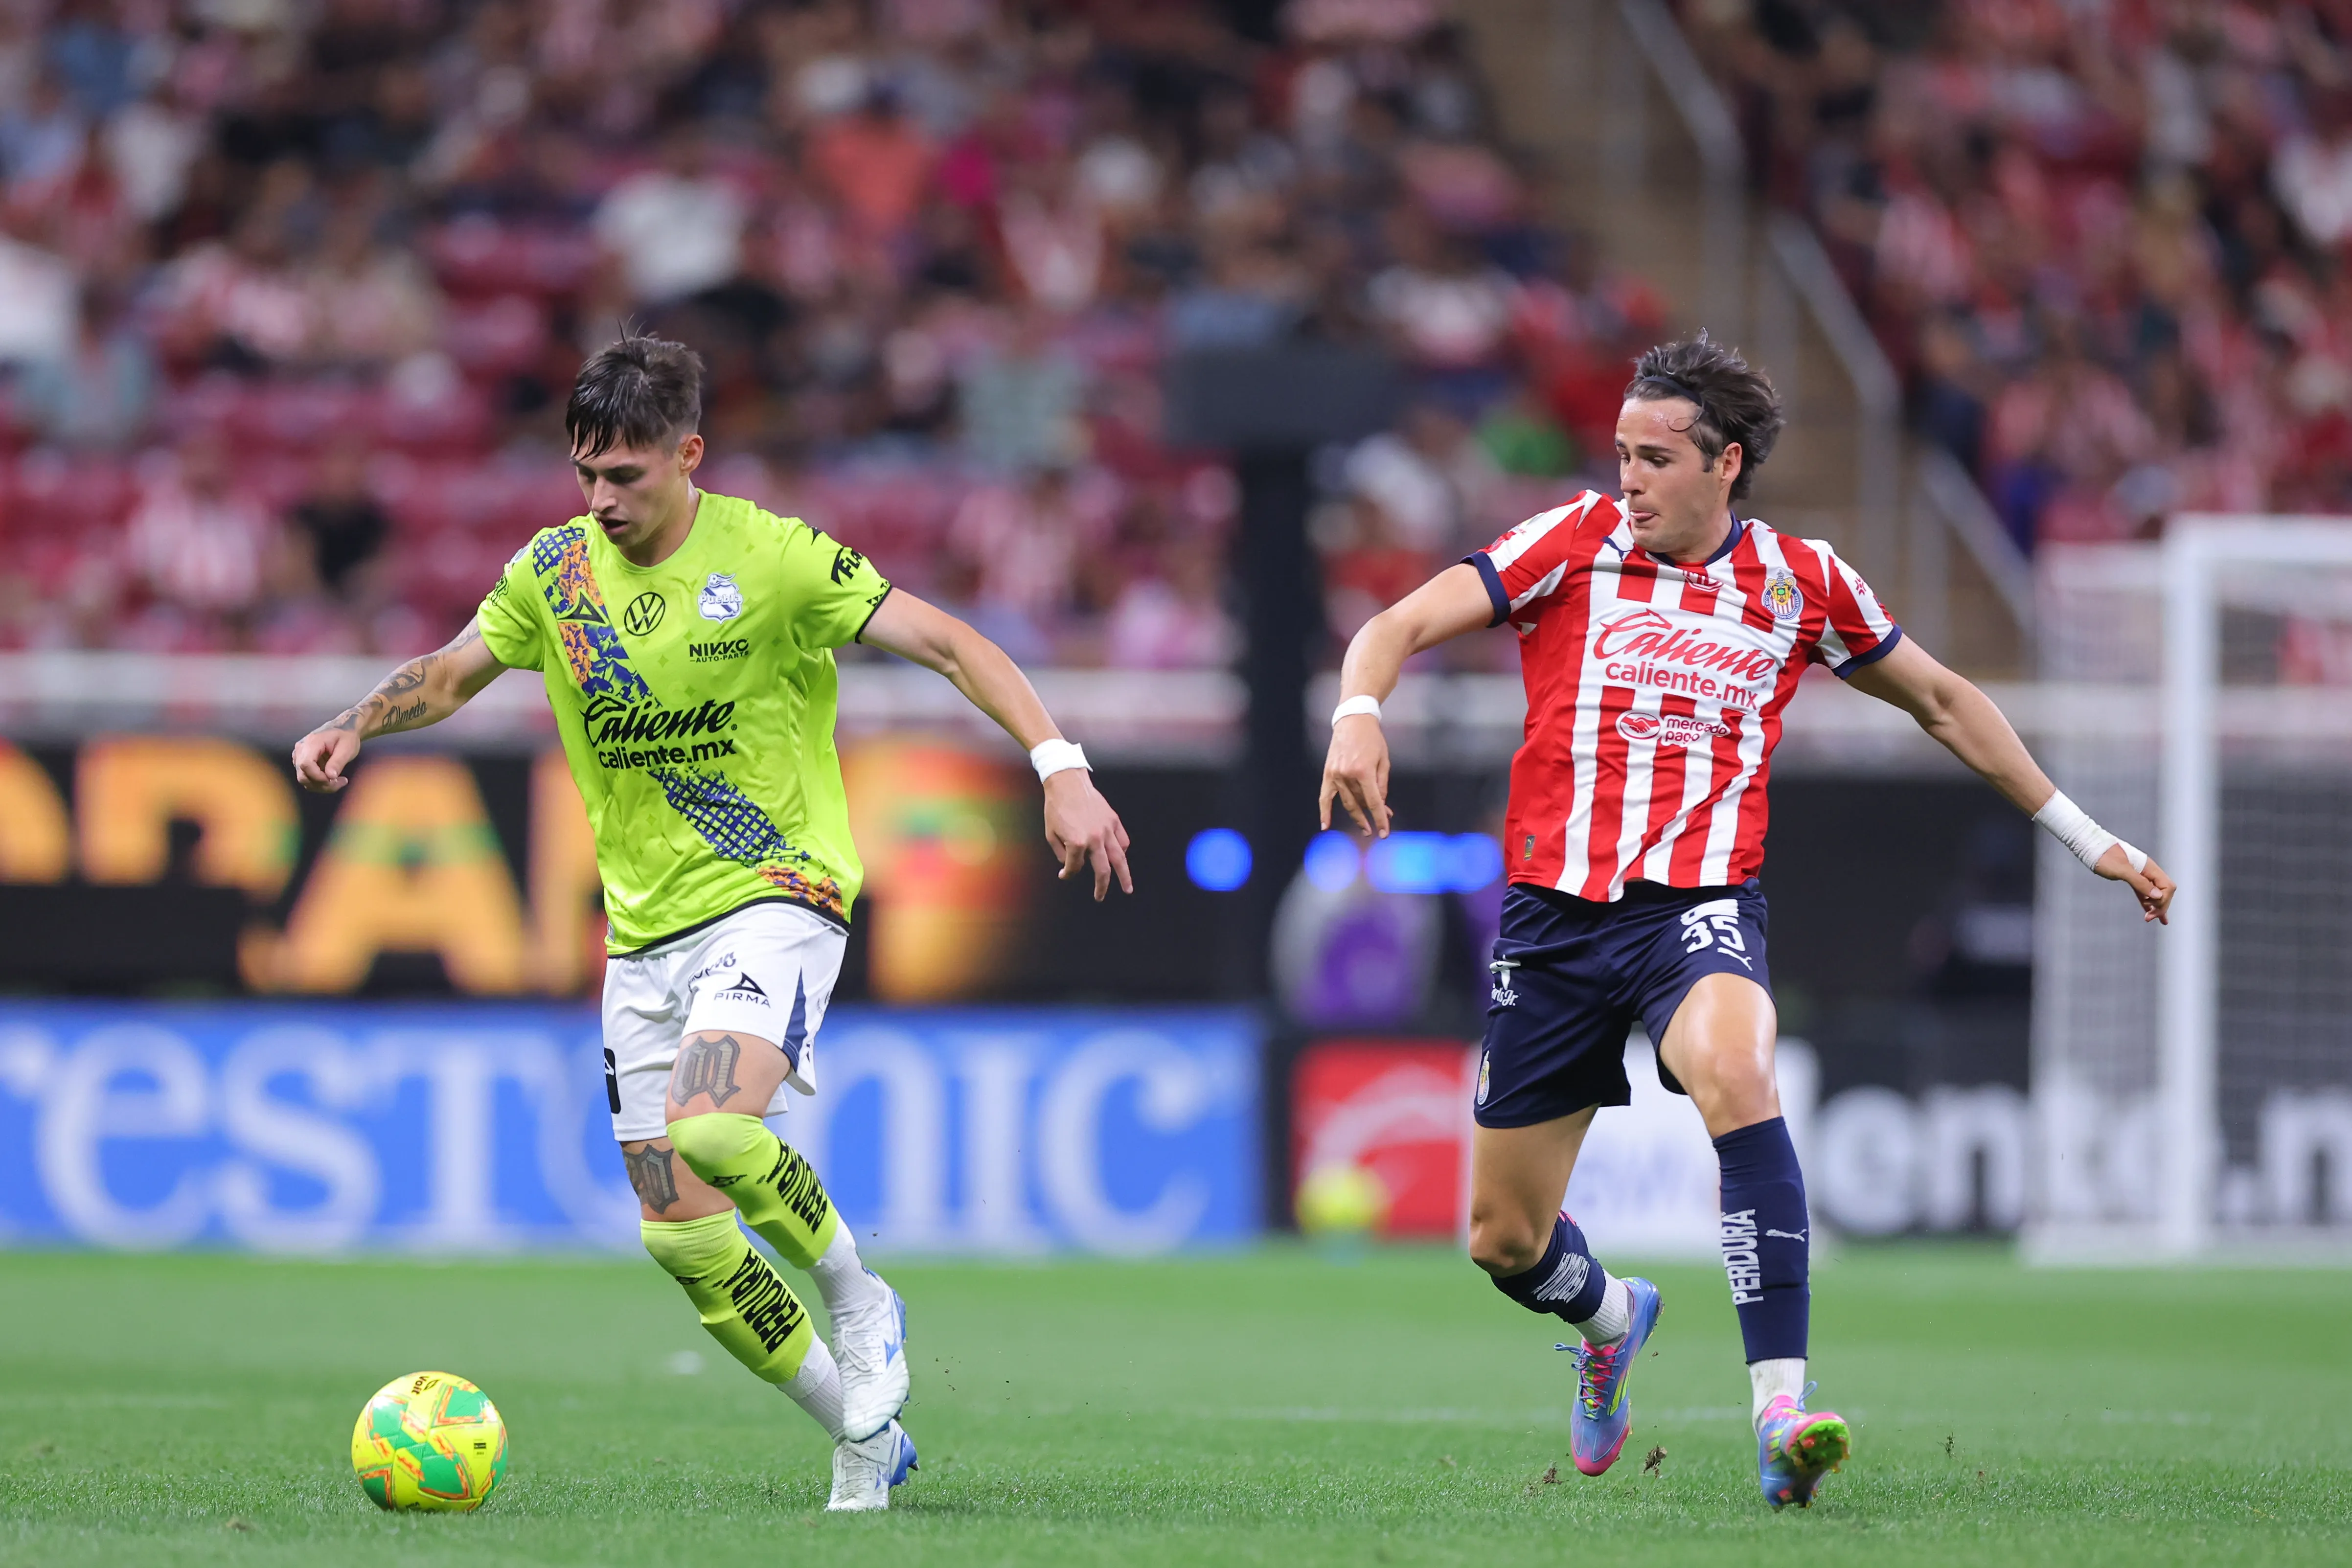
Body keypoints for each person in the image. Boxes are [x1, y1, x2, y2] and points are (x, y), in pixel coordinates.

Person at [1317, 335, 2174, 1509]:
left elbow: (1941, 700)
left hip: (1697, 908)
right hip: (1552, 924)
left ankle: (1781, 1410)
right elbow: (1394, 626)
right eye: (1621, 453)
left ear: (1725, 464)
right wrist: (1360, 713)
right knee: (1504, 1240)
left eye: (1655, 459)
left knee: (1737, 1069)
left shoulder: (1800, 581)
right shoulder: (1571, 544)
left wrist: (2090, 837)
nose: (1629, 478)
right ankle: (1614, 1322)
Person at [290, 332, 1132, 1512]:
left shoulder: (777, 558)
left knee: (715, 1131)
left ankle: (860, 1299)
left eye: (626, 476)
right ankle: (861, 1434)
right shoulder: (557, 574)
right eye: (586, 475)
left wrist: (1060, 766)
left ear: (689, 455)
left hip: (775, 896)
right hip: (641, 938)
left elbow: (948, 642)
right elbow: (453, 670)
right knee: (680, 1233)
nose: (603, 500)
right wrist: (355, 723)